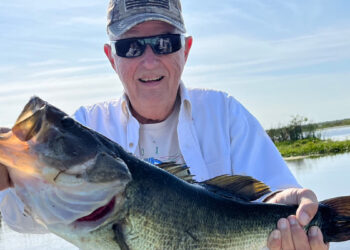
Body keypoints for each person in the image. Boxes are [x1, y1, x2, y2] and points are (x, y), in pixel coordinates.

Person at [0, 0, 329, 249]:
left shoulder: (225, 114)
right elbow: (18, 216)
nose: (149, 59)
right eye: (130, 46)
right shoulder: (90, 123)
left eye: (164, 43)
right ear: (111, 58)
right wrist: (12, 173)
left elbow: (275, 200)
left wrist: (297, 218)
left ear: (185, 50)